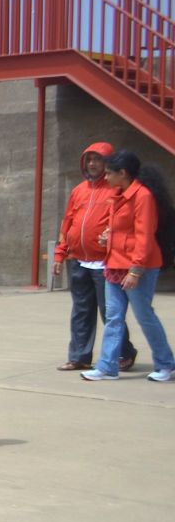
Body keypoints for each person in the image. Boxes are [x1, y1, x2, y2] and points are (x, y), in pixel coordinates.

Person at [82, 151, 174, 383]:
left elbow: (144, 236)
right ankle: (107, 366)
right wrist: (108, 236)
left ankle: (166, 364)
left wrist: (136, 269)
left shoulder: (142, 196)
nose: (106, 177)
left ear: (123, 173)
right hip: (115, 264)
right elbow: (123, 229)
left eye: (110, 173)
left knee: (144, 315)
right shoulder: (118, 194)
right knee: (113, 317)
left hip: (137, 267)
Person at [52, 141, 138, 372]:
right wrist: (60, 254)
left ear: (108, 163)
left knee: (108, 310)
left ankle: (124, 353)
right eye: (89, 159)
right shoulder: (78, 190)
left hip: (105, 261)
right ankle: (79, 356)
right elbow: (67, 222)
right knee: (81, 309)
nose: (92, 164)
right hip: (78, 260)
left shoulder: (116, 190)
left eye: (98, 159)